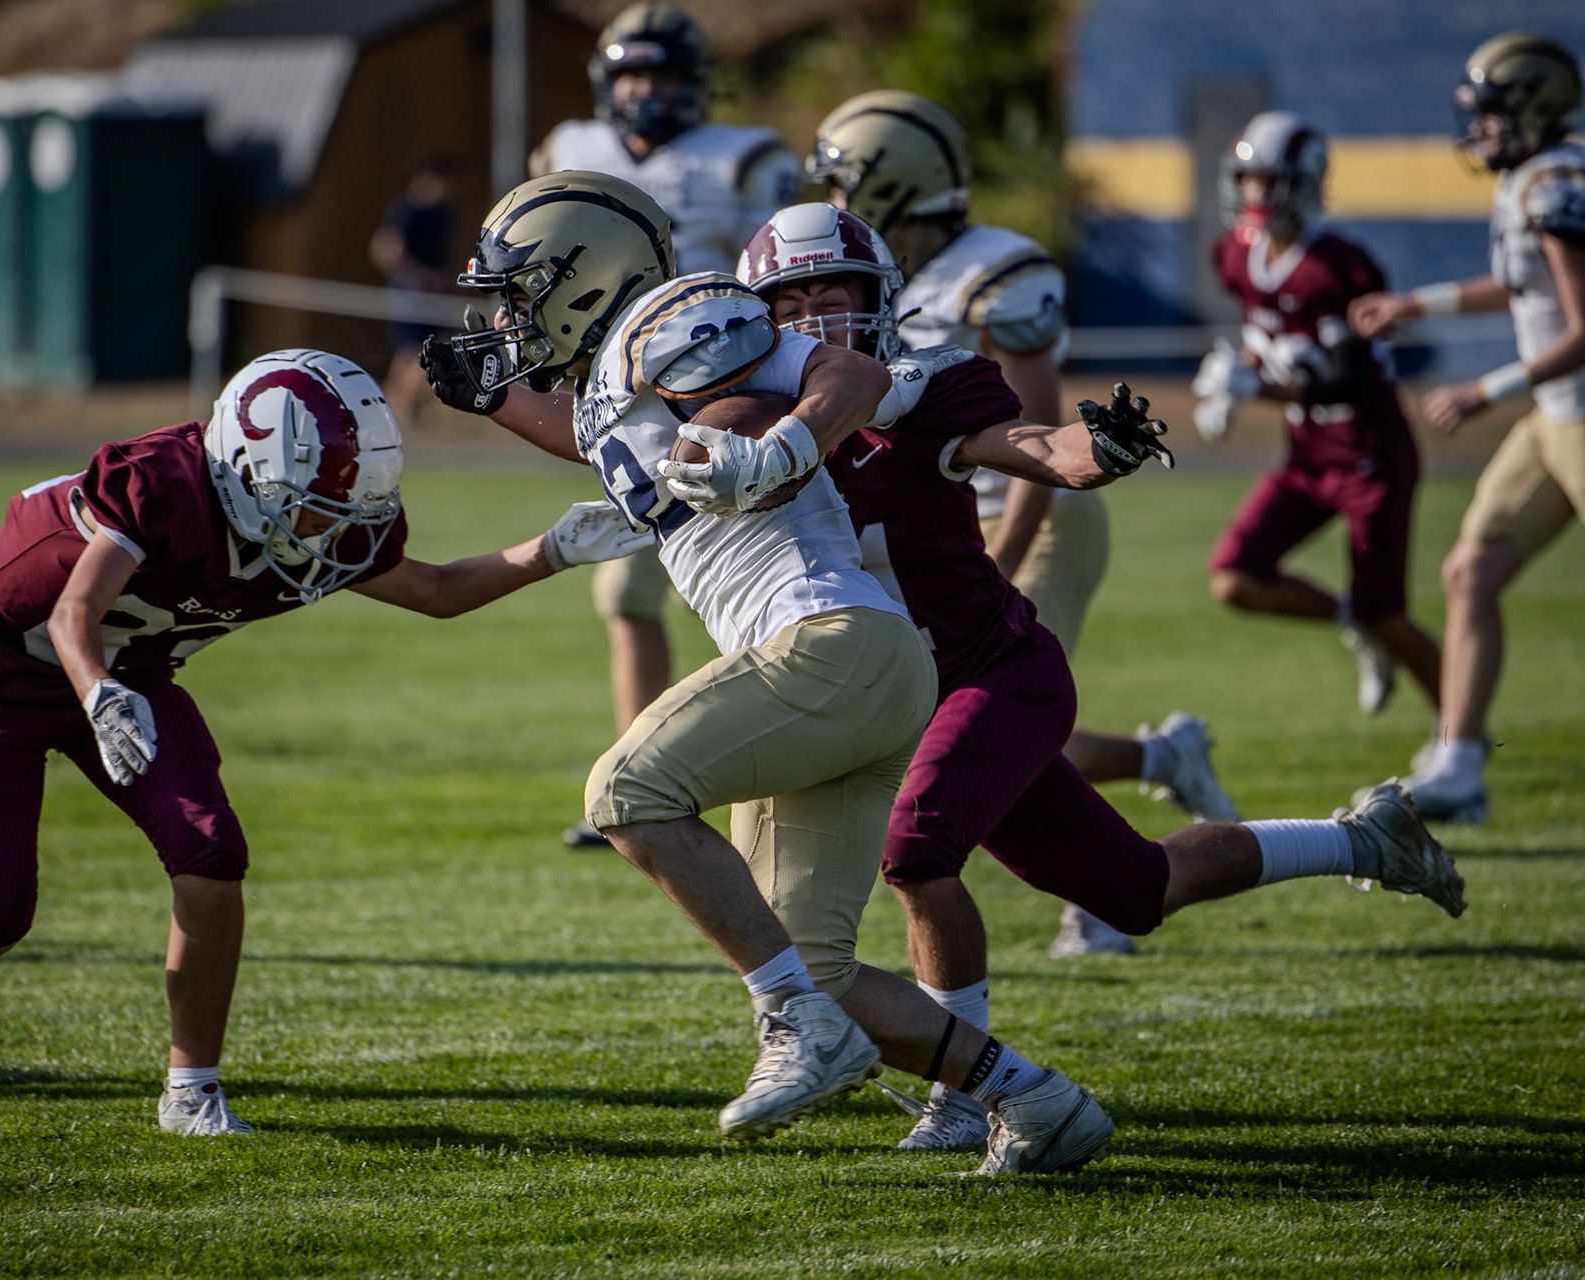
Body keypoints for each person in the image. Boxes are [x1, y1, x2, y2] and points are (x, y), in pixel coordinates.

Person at [422, 170, 1198, 1174]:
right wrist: (496, 401)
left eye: (521, 292)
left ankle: (794, 1022)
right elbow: (597, 440)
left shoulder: (675, 313)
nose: (509, 319)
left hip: (832, 640)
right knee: (812, 963)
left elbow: (853, 378)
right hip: (842, 666)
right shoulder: (616, 375)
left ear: (582, 273)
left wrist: (782, 447)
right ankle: (1034, 1099)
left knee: (626, 792)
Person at [735, 202, 1468, 1154]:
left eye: (835, 296)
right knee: (1139, 889)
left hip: (994, 675)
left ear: (879, 301)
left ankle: (962, 1095)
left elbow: (1035, 447)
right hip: (897, 696)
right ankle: (1362, 840)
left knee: (916, 852)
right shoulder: (748, 418)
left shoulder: (925, 389)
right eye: (792, 304)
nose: (817, 320)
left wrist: (1101, 450)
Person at [0, 348, 652, 1136]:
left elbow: (434, 590)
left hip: (135, 673)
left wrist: (550, 550)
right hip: (0, 680)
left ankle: (190, 1091)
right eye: (319, 509)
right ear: (250, 475)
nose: (338, 531)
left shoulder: (310, 517)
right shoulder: (168, 485)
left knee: (212, 854)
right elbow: (75, 612)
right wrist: (96, 691)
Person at [806, 89, 1235, 959]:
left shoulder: (997, 267)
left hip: (1030, 516)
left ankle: (1101, 897)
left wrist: (1002, 552)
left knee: (1005, 718)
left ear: (893, 178)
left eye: (846, 180)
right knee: (981, 732)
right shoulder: (876, 270)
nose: (837, 198)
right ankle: (1160, 764)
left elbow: (1037, 432)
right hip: (941, 524)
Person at [530, 4, 803, 847]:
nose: (645, 92)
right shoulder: (570, 148)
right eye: (632, 75)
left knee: (755, 597)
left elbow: (780, 272)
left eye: (662, 75)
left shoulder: (746, 158)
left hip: (724, 395)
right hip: (623, 397)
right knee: (626, 592)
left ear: (696, 84)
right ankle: (640, 769)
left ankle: (744, 771)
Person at [1348, 33, 1585, 824]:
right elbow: (1520, 284)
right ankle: (1460, 762)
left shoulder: (1558, 185)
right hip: (1558, 419)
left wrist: (1487, 390)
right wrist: (1417, 304)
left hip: (1576, 416)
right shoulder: (1530, 179)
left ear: (1534, 108)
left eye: (1491, 113)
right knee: (1469, 573)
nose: (1479, 128)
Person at [1192, 112, 1441, 723]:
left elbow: (1350, 382)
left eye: (1269, 181)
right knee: (1234, 577)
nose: (1255, 193)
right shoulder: (1237, 254)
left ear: (1302, 184)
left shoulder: (1336, 267)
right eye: (1247, 179)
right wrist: (1232, 385)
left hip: (1369, 457)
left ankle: (1461, 736)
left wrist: (1255, 388)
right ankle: (1353, 622)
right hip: (1308, 458)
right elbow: (1267, 334)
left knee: (1388, 612)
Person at [369, 156, 458, 427]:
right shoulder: (409, 211)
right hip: (411, 295)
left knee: (434, 348)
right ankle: (398, 413)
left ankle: (395, 411)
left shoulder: (444, 213)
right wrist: (419, 276)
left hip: (434, 296)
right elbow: (385, 249)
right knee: (414, 353)